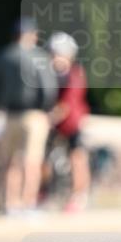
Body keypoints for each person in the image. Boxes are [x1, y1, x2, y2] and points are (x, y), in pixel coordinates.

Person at [0, 17, 58, 214]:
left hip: (9, 114)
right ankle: (28, 202)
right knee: (32, 161)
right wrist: (46, 110)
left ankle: (11, 203)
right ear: (32, 35)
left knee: (11, 162)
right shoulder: (39, 57)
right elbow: (48, 88)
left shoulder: (3, 55)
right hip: (33, 115)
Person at [46, 32, 91, 212]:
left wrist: (50, 118)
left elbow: (67, 105)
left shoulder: (73, 74)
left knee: (77, 158)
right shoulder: (56, 73)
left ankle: (79, 196)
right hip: (60, 123)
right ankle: (49, 193)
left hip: (71, 123)